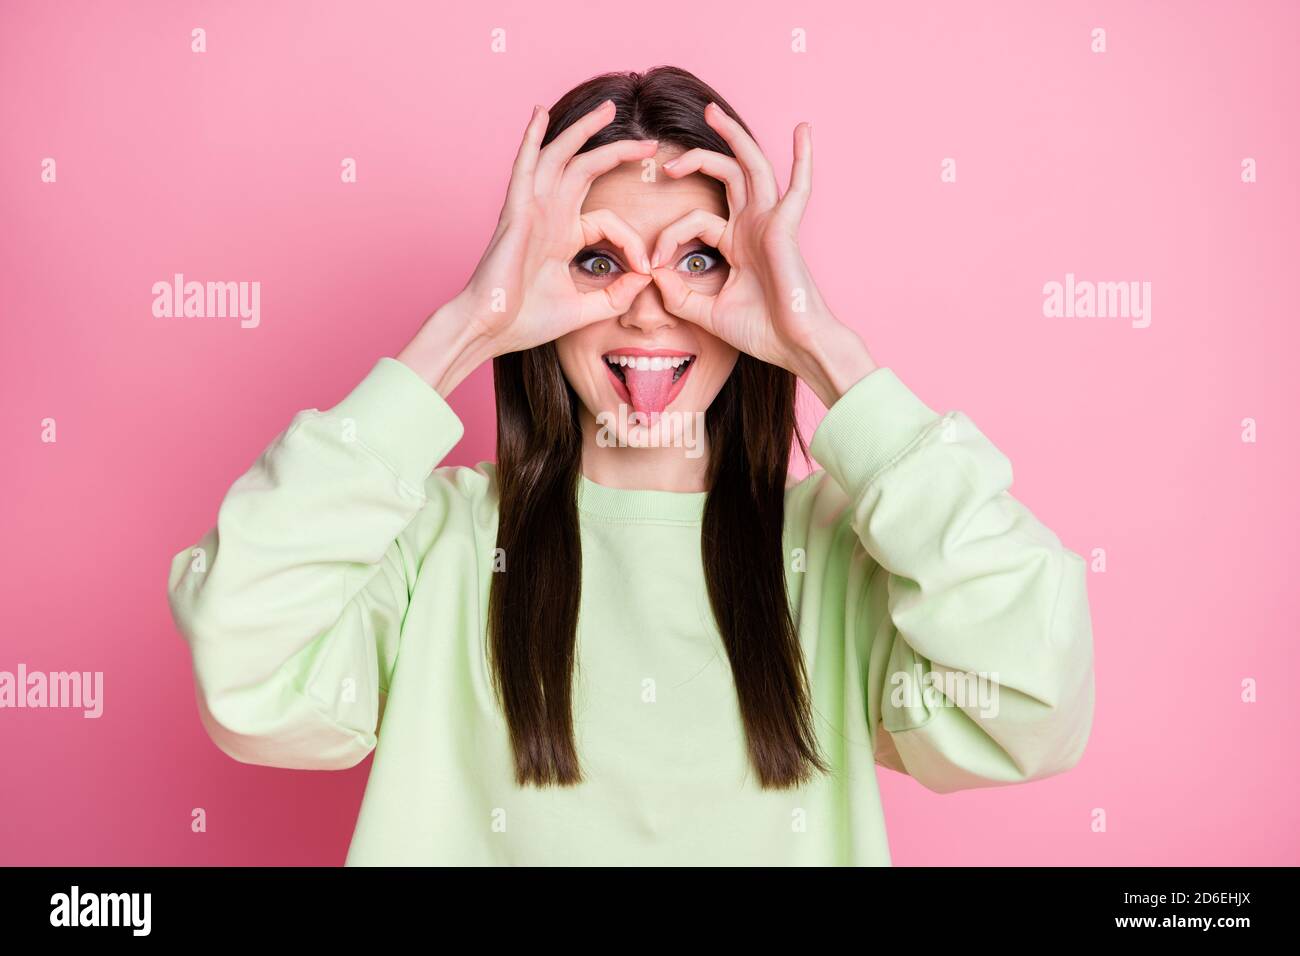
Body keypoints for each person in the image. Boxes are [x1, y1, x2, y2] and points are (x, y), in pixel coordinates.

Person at [167, 66, 1095, 865]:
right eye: (597, 260)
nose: (649, 311)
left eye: (698, 258)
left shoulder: (841, 553)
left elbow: (1032, 705)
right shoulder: (435, 545)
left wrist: (824, 350)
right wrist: (467, 327)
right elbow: (244, 666)